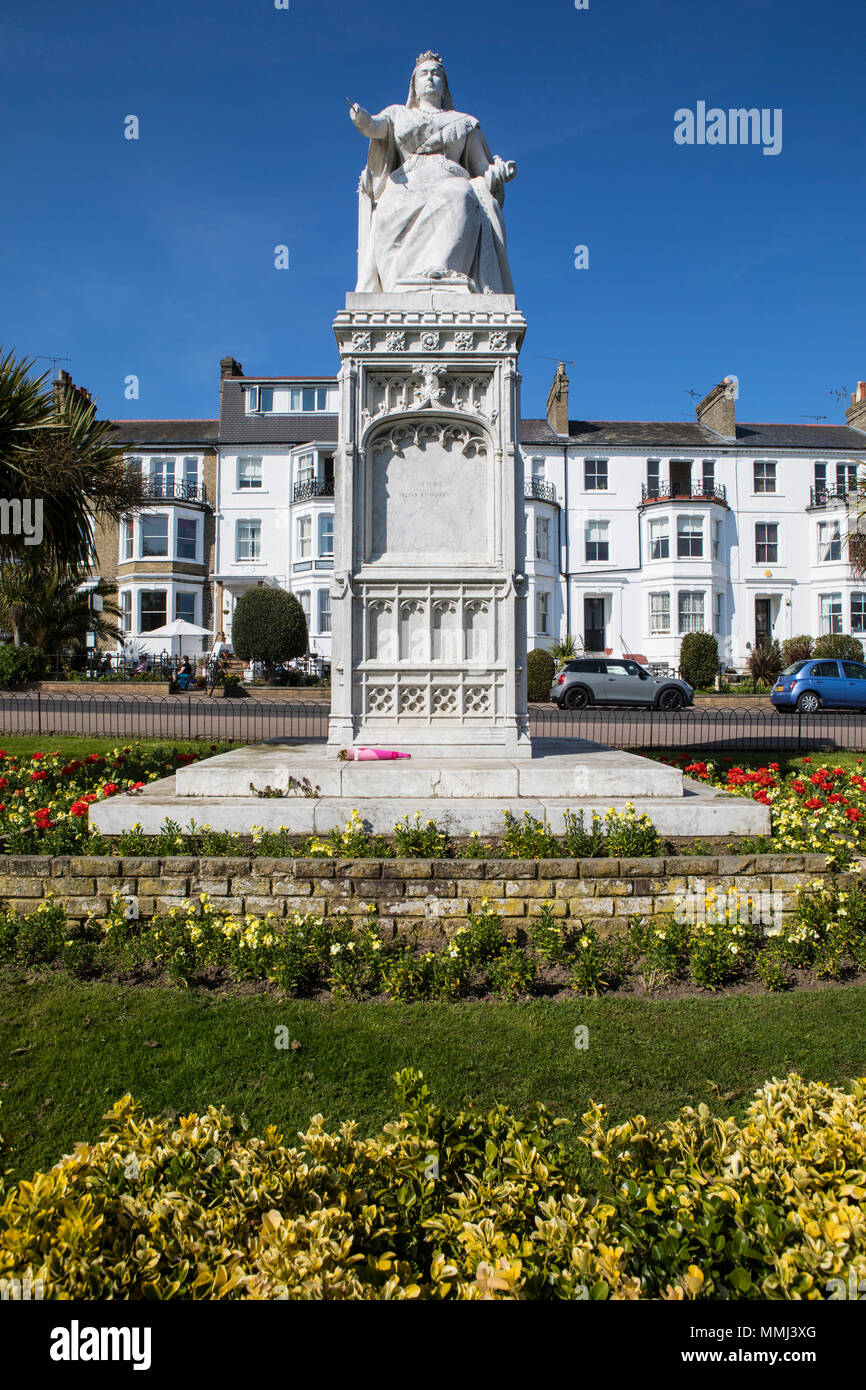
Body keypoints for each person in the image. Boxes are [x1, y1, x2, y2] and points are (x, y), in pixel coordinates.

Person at [349, 52, 516, 295]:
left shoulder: (464, 123)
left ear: (444, 84)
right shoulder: (398, 115)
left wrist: (497, 174)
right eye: (424, 74)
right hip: (405, 185)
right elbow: (374, 127)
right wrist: (362, 119)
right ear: (414, 85)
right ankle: (400, 283)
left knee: (461, 195)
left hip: (450, 181)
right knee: (389, 207)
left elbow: (483, 170)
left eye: (436, 73)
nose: (430, 78)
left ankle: (442, 274)